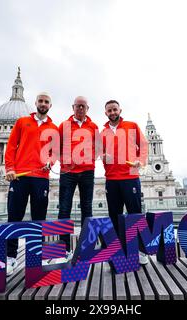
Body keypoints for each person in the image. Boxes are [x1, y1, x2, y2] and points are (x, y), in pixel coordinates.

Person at [4, 92, 59, 275]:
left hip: (41, 178)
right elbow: (11, 146)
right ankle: (10, 258)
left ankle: (36, 258)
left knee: (38, 219)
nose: (43, 104)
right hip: (19, 176)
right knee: (14, 217)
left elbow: (55, 152)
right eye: (41, 101)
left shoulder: (54, 128)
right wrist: (10, 169)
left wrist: (50, 162)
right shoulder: (22, 122)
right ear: (35, 103)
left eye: (46, 102)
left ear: (50, 105)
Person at [100, 99, 149, 265]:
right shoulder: (103, 132)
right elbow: (99, 152)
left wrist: (140, 161)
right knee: (115, 216)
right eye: (109, 110)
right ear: (105, 113)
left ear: (120, 110)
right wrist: (103, 156)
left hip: (131, 177)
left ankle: (140, 251)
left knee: (135, 214)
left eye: (115, 109)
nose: (112, 112)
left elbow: (143, 146)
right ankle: (117, 251)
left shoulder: (132, 125)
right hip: (111, 179)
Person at [57, 96, 100, 260]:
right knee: (64, 209)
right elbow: (56, 146)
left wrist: (90, 157)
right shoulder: (64, 126)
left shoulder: (93, 126)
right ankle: (63, 250)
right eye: (77, 106)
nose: (80, 109)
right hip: (67, 173)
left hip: (87, 172)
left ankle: (85, 248)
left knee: (87, 209)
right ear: (72, 107)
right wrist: (65, 160)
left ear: (87, 108)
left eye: (83, 106)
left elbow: (99, 147)